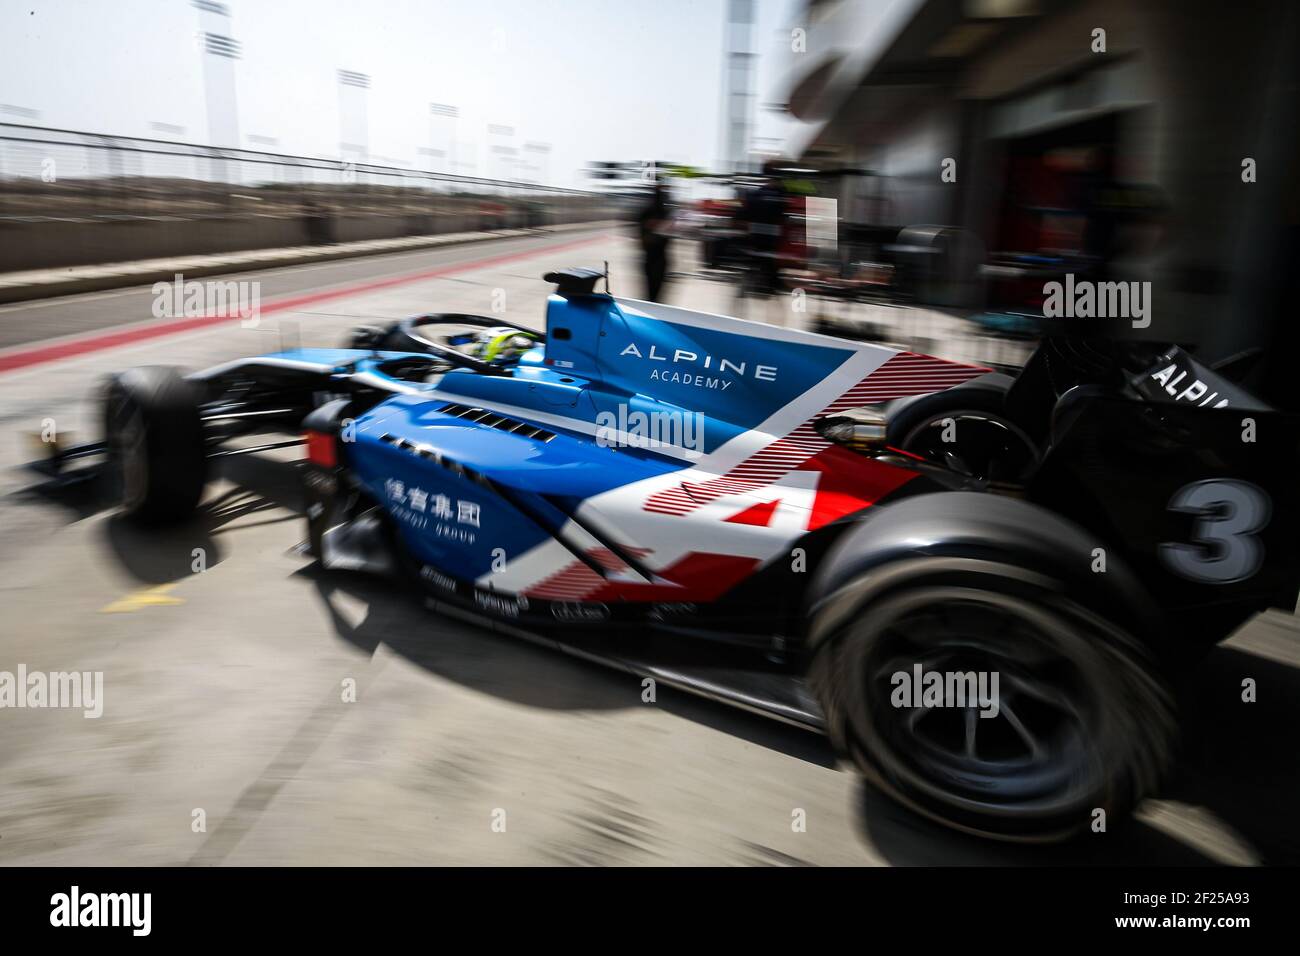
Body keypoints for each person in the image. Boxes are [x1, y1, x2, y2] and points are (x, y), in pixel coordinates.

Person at [637, 182, 671, 301]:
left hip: (652, 257)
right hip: (657, 258)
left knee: (651, 293)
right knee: (654, 294)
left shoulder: (646, 212)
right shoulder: (665, 213)